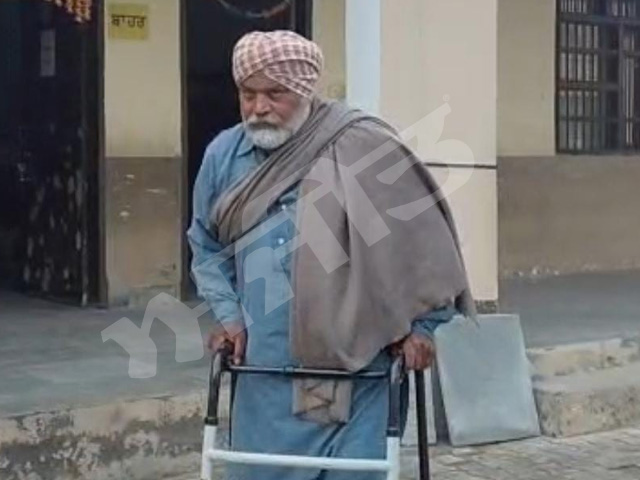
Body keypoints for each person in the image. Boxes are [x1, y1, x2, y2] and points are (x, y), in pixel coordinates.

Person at [187, 30, 475, 480]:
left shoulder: (362, 145)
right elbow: (205, 245)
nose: (259, 107)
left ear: (305, 90)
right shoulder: (224, 156)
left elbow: (424, 249)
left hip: (358, 368)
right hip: (265, 373)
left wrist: (423, 328)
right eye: (248, 94)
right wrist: (229, 315)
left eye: (275, 94)